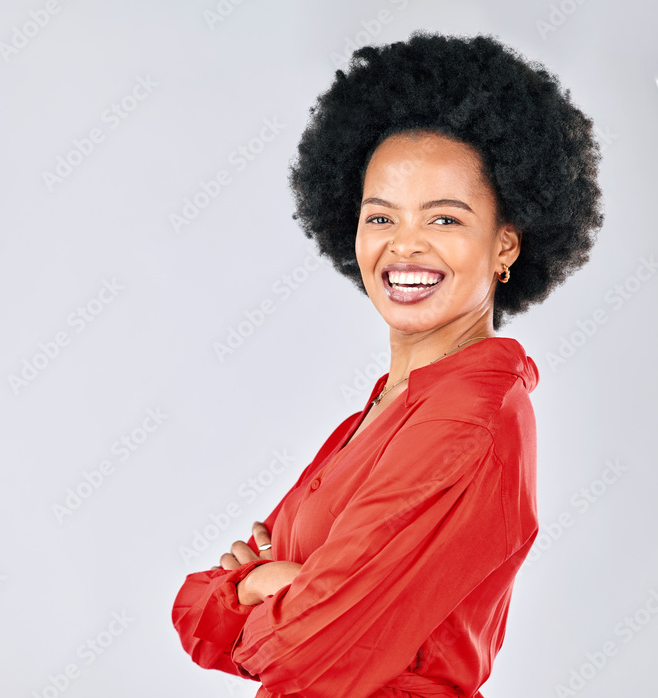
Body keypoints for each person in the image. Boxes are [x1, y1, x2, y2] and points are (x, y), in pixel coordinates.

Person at [171, 31, 604, 698]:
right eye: (381, 218)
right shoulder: (384, 407)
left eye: (445, 220)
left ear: (505, 245)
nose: (404, 248)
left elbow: (308, 651)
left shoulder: (469, 420)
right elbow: (196, 616)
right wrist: (255, 589)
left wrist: (257, 586)